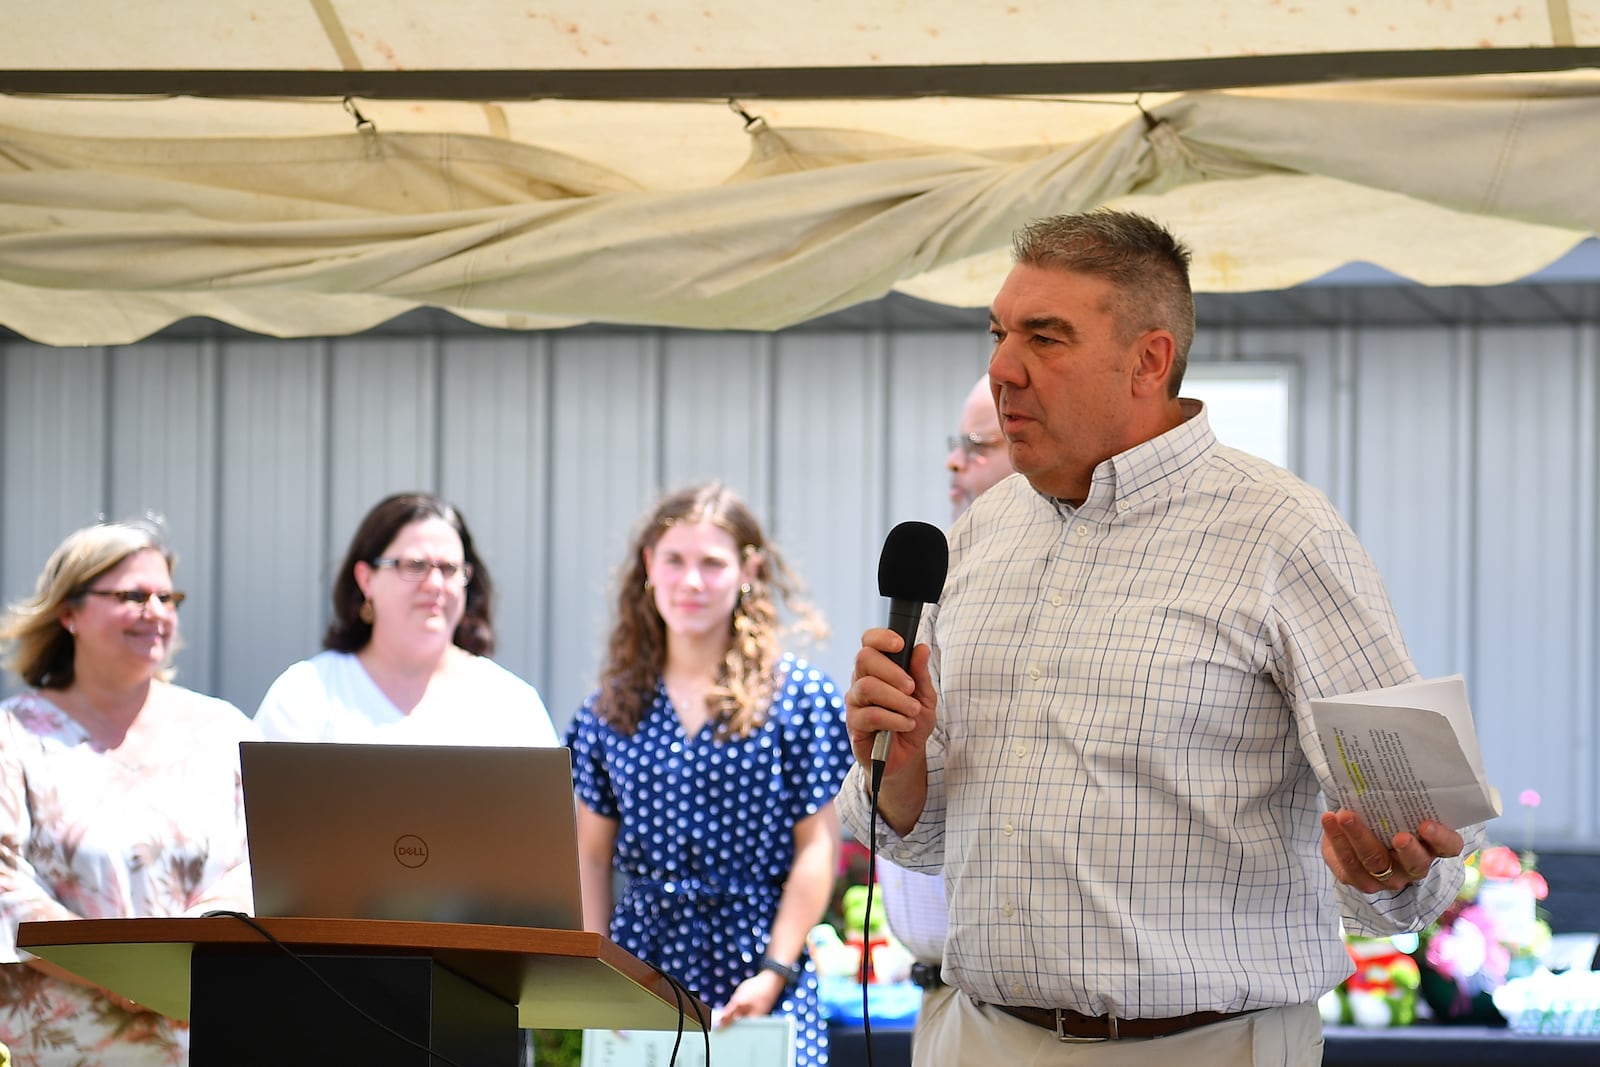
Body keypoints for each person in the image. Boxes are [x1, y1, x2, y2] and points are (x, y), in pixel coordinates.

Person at [838, 210, 1482, 1066]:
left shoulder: (1282, 534)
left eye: (1046, 336)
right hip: (976, 1036)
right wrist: (903, 772)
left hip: (1203, 1046)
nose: (1001, 367)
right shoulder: (976, 538)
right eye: (998, 333)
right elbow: (919, 838)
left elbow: (1424, 849)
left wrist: (1395, 863)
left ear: (1149, 359)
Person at [565, 483, 853, 1067]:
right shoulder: (608, 710)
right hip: (641, 971)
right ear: (649, 566)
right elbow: (589, 857)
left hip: (763, 968)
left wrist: (773, 973)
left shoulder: (798, 698)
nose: (691, 581)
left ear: (748, 570)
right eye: (674, 560)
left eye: (712, 563)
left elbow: (818, 847)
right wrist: (602, 977)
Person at [0, 519, 258, 1066]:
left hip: (214, 1029)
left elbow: (274, 856)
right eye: (132, 596)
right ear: (68, 613)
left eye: (167, 596)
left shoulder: (224, 729)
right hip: (66, 1045)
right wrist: (119, 970)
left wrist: (204, 935)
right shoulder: (15, 735)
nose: (157, 612)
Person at [874, 373, 1015, 1037]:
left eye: (977, 445)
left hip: (1016, 1005)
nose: (953, 462)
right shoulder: (946, 570)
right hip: (946, 1005)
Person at [255, 492, 558, 747]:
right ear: (366, 578)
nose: (435, 584)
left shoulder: (511, 704)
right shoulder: (306, 694)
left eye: (449, 568)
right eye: (415, 565)